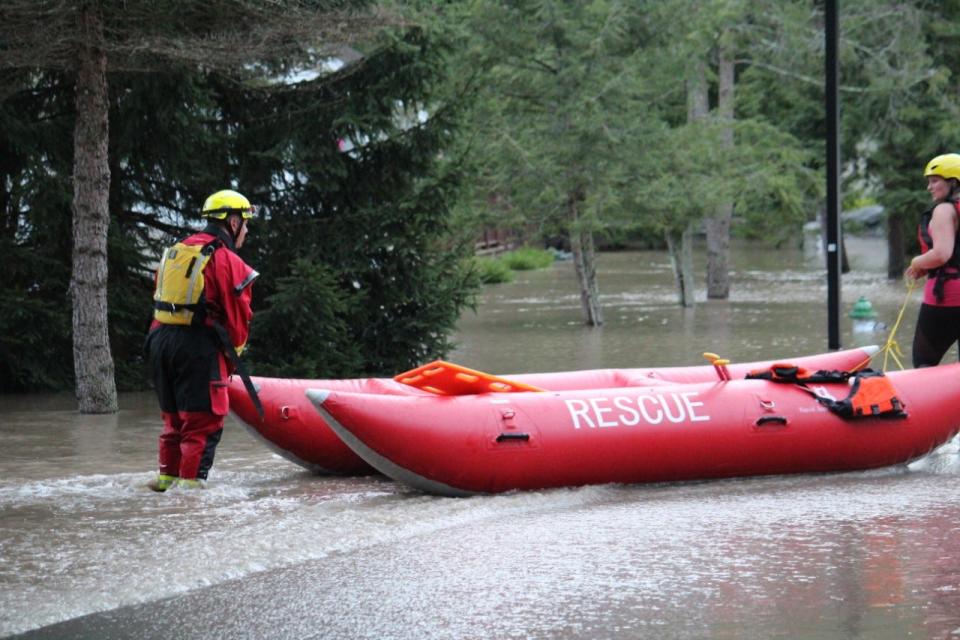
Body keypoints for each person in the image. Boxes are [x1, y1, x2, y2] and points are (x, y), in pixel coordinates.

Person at [145, 189, 259, 491]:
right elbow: (238, 318)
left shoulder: (177, 250)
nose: (246, 231)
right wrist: (230, 358)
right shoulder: (226, 261)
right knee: (202, 425)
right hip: (196, 348)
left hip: (159, 342)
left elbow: (163, 298)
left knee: (174, 423)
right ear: (232, 222)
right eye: (245, 223)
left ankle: (166, 482)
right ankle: (190, 503)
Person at [905, 153, 960, 368]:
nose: (929, 187)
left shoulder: (945, 210)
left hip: (948, 296)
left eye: (935, 181)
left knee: (923, 363)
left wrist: (917, 262)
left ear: (953, 182)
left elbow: (941, 254)